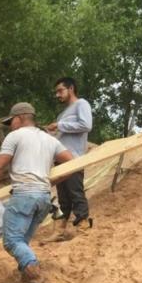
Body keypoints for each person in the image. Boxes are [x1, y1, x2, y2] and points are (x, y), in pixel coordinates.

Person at [0, 102, 73, 283]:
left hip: (24, 196)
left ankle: (37, 282)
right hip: (44, 199)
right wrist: (51, 181)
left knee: (12, 242)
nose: (10, 125)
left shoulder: (15, 136)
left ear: (19, 118)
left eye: (11, 121)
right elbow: (72, 163)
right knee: (23, 243)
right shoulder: (49, 139)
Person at [44, 77, 93, 241]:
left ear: (71, 88)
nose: (57, 95)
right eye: (56, 92)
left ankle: (84, 228)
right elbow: (60, 137)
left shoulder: (81, 104)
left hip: (74, 158)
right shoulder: (61, 114)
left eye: (60, 91)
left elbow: (86, 125)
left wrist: (59, 126)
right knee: (63, 197)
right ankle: (60, 231)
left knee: (75, 193)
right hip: (60, 159)